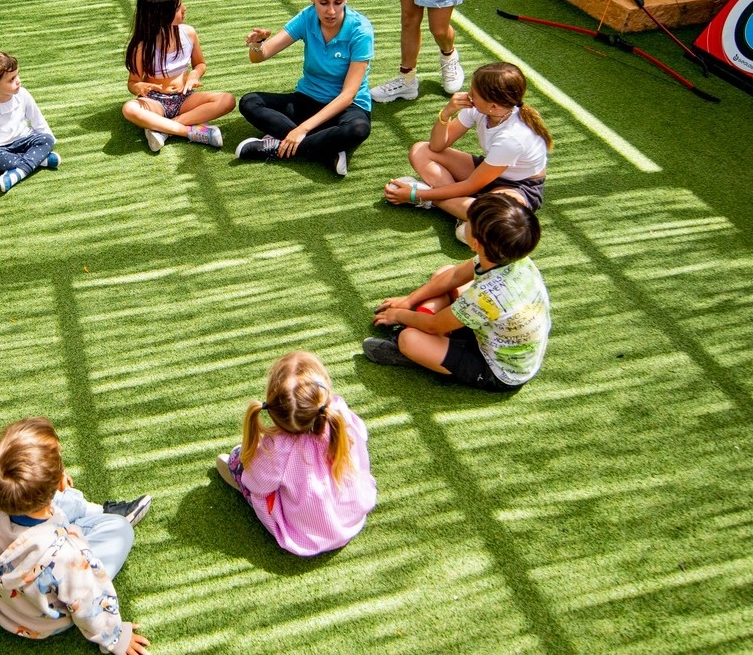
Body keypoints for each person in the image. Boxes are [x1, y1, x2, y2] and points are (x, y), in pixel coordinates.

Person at [0, 417, 153, 655]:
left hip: (4, 603)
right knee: (120, 530)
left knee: (64, 500)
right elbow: (88, 601)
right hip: (40, 618)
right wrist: (116, 636)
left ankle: (89, 512)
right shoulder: (68, 556)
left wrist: (56, 481)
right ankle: (102, 515)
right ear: (58, 480)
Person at [361, 191, 549, 393]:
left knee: (409, 340)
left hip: (498, 369)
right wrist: (409, 300)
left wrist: (399, 314)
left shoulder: (485, 297)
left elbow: (434, 325)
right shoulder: (512, 258)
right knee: (444, 274)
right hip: (492, 329)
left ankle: (413, 352)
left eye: (468, 221)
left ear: (475, 243)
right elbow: (455, 276)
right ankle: (429, 337)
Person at [214, 351, 376, 557]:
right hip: (351, 515)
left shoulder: (277, 448)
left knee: (240, 461)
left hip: (307, 534)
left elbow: (258, 484)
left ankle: (234, 468)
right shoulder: (341, 416)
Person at [236, 0, 374, 176]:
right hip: (308, 99)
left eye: (338, 2)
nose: (331, 11)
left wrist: (301, 129)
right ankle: (325, 152)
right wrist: (258, 43)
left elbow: (348, 95)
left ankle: (278, 145)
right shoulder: (306, 18)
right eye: (323, 3)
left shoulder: (361, 30)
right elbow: (260, 56)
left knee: (358, 129)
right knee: (249, 102)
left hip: (347, 107)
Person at [385, 61, 551, 231]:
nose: (468, 94)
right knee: (420, 151)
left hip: (519, 186)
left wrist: (415, 195)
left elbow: (472, 185)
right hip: (487, 171)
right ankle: (464, 212)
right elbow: (436, 146)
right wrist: (446, 112)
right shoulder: (478, 108)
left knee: (494, 216)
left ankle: (439, 202)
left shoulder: (512, 138)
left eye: (474, 92)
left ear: (493, 106)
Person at [121, 0, 236, 153]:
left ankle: (163, 130)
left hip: (184, 98)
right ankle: (190, 132)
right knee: (129, 109)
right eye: (178, 7)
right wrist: (140, 87)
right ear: (161, 14)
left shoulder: (188, 33)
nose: (184, 9)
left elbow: (200, 64)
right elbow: (133, 82)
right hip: (155, 101)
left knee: (228, 100)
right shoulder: (142, 46)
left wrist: (194, 75)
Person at [0, 47, 60, 193]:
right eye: (11, 79)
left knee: (46, 139)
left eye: (17, 76)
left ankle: (18, 173)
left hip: (25, 140)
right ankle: (40, 160)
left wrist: (48, 141)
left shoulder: (22, 94)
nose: (18, 81)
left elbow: (37, 118)